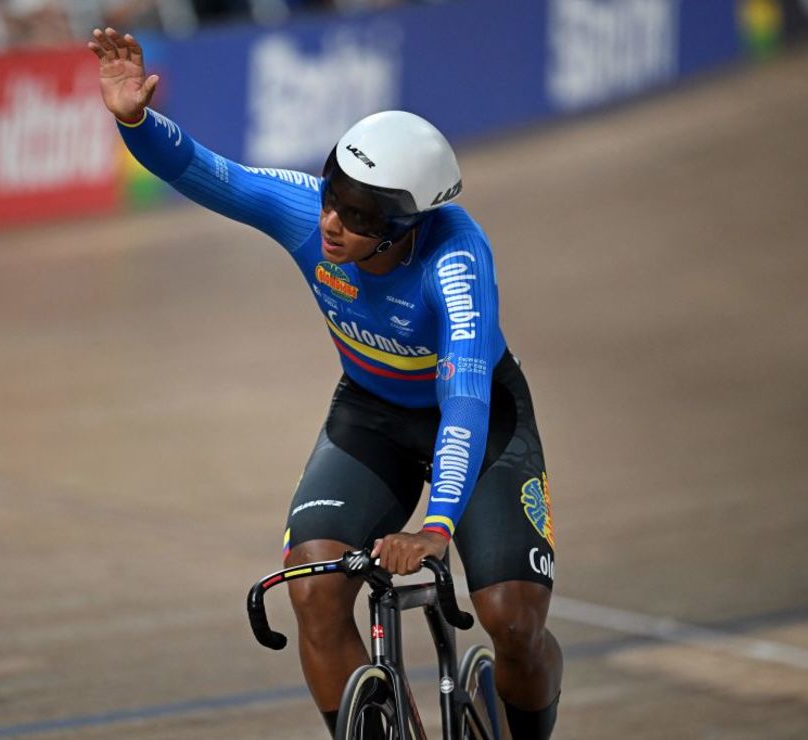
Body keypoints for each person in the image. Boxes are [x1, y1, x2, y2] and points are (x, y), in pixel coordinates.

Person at [87, 27, 563, 739]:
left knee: (510, 620)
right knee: (313, 590)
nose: (333, 221)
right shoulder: (309, 213)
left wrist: (436, 528)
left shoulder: (456, 263)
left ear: (405, 226)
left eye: (360, 214)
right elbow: (209, 173)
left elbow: (463, 402)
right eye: (334, 195)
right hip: (372, 415)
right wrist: (135, 120)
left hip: (479, 422)